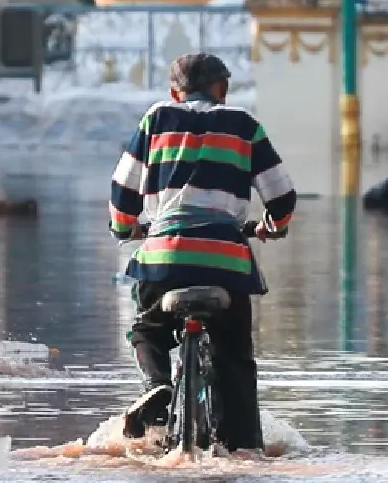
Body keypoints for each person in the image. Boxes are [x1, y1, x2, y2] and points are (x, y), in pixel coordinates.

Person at [109, 53, 295, 451]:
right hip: (226, 260)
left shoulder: (157, 119)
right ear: (222, 89)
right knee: (235, 359)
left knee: (147, 329)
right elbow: (282, 197)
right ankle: (243, 445)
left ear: (174, 92)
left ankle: (157, 385)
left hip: (164, 257)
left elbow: (122, 191)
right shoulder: (244, 125)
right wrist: (272, 227)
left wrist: (126, 227)